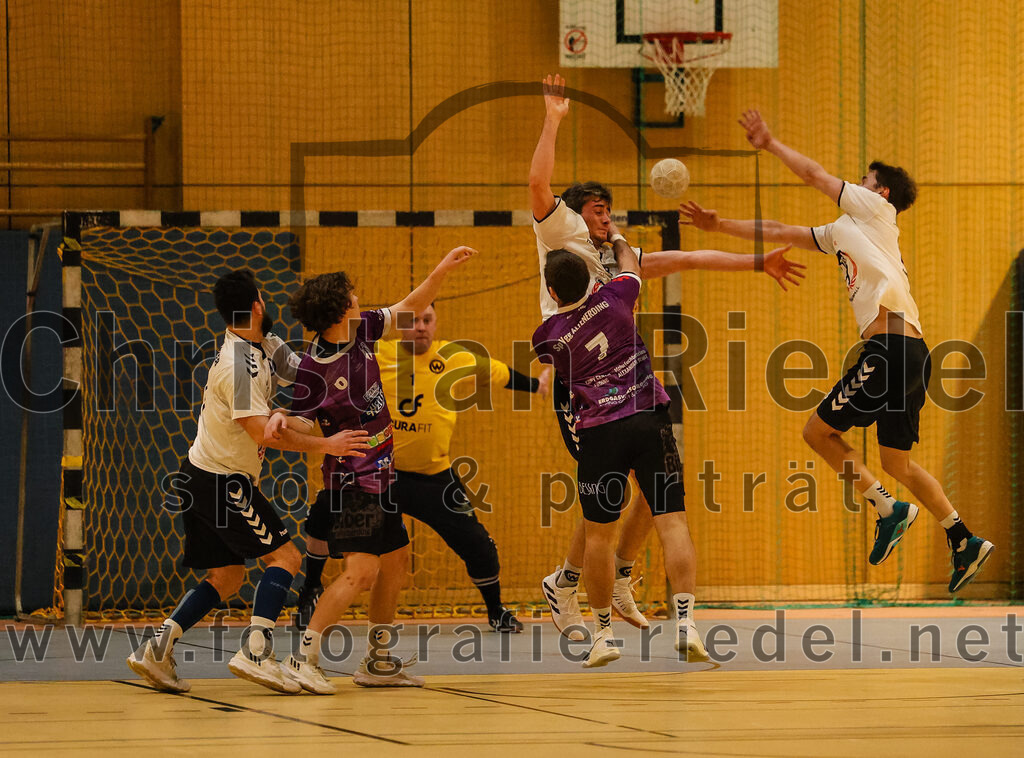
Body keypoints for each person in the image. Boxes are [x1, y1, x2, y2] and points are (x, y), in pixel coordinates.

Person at [530, 74, 807, 639]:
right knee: (607, 498)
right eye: (598, 209)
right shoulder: (561, 237)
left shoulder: (618, 258)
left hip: (626, 389)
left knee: (644, 490)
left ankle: (611, 576)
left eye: (610, 210)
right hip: (580, 386)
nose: (607, 218)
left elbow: (691, 257)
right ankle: (565, 583)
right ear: (576, 213)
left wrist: (758, 263)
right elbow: (538, 181)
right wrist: (554, 118)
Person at [681, 109, 994, 592]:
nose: (856, 183)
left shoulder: (874, 210)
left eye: (866, 178)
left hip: (889, 350)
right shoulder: (844, 231)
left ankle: (888, 510)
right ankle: (963, 537)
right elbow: (782, 231)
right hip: (912, 353)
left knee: (817, 433)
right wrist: (721, 226)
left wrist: (770, 142)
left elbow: (812, 174)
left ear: (880, 191)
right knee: (897, 463)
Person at [126, 269, 370, 694]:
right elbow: (263, 434)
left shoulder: (266, 344)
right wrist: (327, 444)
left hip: (202, 474)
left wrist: (349, 364)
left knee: (227, 577)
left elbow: (308, 375)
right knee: (287, 559)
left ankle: (156, 650)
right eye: (263, 297)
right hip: (222, 482)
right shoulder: (239, 366)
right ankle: (256, 651)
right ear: (258, 304)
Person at [276, 246, 478, 695]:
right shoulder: (314, 367)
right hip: (353, 482)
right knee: (360, 573)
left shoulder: (362, 328)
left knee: (396, 563)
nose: (358, 299)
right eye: (351, 296)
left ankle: (379, 661)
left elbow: (408, 306)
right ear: (337, 310)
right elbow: (294, 428)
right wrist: (293, 426)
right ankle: (302, 659)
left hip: (382, 478)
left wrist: (441, 269)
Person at [294, 302, 553, 633]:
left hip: (434, 479)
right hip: (378, 476)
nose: (420, 326)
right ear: (399, 325)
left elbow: (497, 372)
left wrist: (537, 386)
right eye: (413, 320)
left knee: (478, 544)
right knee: (321, 516)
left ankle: (495, 609)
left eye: (426, 320)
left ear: (436, 323)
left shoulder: (457, 357)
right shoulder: (375, 354)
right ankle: (310, 591)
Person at [532, 241, 710, 666]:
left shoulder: (547, 338)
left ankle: (602, 635)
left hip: (599, 432)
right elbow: (632, 267)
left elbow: (560, 350)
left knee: (598, 536)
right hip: (649, 418)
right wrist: (618, 243)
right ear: (594, 279)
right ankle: (686, 623)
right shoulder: (617, 296)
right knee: (673, 523)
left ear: (553, 293)